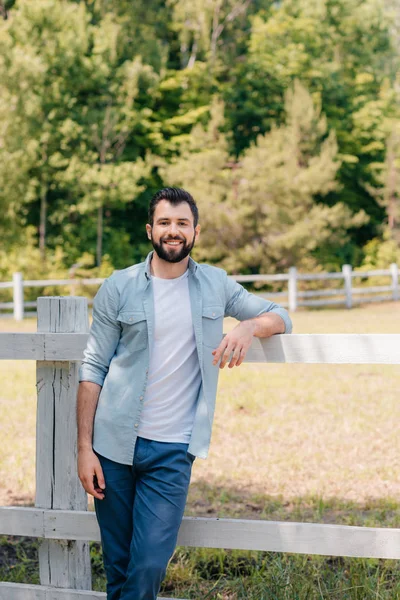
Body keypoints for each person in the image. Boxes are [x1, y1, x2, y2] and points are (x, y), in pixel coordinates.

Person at [77, 187, 293, 600]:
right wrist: (84, 448)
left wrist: (247, 327)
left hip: (173, 449)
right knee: (118, 567)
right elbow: (92, 369)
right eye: (164, 223)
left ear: (195, 231)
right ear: (149, 230)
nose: (173, 231)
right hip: (112, 446)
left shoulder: (216, 284)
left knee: (149, 565)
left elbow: (281, 315)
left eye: (181, 223)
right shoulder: (118, 287)